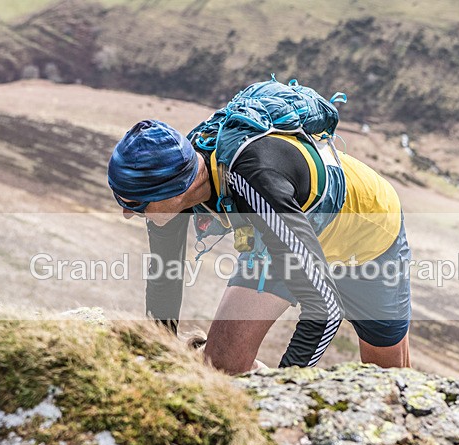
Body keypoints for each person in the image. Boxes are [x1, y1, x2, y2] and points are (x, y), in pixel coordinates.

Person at [108, 119, 412, 374]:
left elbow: (325, 308)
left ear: (174, 190)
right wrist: (159, 356)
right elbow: (165, 276)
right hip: (280, 235)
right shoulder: (174, 178)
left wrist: (286, 391)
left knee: (388, 376)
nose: (126, 213)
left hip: (368, 233)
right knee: (221, 365)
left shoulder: (256, 183)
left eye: (133, 203)